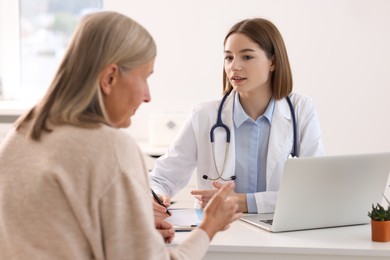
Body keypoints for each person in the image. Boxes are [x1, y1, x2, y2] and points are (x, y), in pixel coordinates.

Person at [0, 11, 241, 259]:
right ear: (110, 77)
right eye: (145, 78)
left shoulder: (20, 133)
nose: (148, 96)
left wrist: (134, 233)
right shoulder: (111, 147)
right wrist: (209, 226)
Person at [150, 17, 325, 218]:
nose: (234, 66)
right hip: (221, 234)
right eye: (229, 57)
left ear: (273, 62)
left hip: (282, 234)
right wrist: (156, 196)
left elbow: (315, 188)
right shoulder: (204, 116)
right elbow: (161, 178)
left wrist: (242, 202)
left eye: (247, 57)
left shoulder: (301, 110)